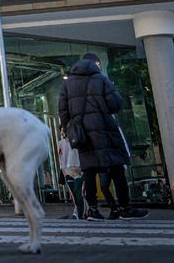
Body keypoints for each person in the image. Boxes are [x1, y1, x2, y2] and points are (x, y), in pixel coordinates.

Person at [58, 52, 149, 220]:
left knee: (89, 171)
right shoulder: (101, 79)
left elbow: (63, 111)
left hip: (83, 133)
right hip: (105, 129)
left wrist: (69, 126)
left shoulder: (67, 84)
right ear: (96, 64)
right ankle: (124, 208)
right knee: (117, 168)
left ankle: (92, 210)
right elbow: (115, 104)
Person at [57, 124, 85, 219]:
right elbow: (61, 158)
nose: (63, 132)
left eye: (64, 130)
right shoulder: (60, 143)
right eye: (61, 130)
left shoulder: (78, 140)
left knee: (79, 192)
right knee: (73, 193)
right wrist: (62, 173)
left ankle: (82, 211)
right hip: (68, 171)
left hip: (79, 169)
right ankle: (78, 211)